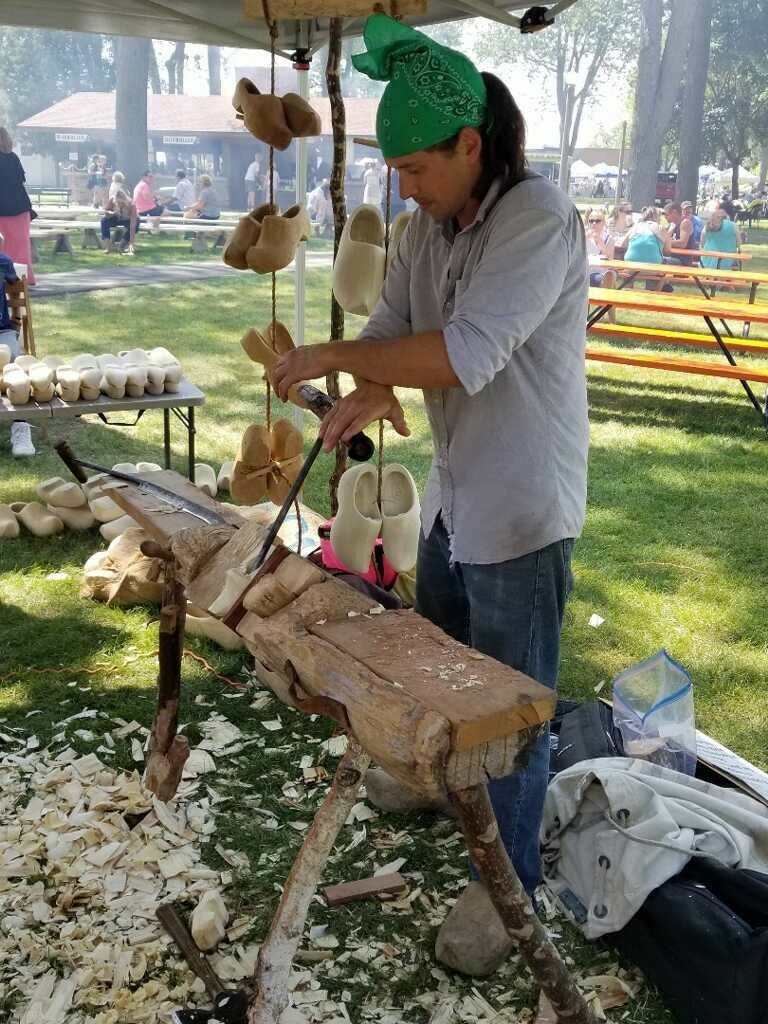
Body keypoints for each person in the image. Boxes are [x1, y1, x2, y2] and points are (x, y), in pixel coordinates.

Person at [271, 13, 588, 977]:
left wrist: (329, 354)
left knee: (513, 705)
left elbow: (461, 352)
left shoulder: (538, 219)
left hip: (525, 504)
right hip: (456, 495)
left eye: (417, 168)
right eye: (394, 172)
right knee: (435, 656)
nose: (403, 187)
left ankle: (511, 889)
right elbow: (397, 324)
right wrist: (366, 382)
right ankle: (436, 779)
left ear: (470, 144)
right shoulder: (424, 228)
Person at [0, 233, 35, 456]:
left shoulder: (3, 261)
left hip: (1, 330)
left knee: (14, 363)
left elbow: (15, 285)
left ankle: (20, 429)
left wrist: (15, 319)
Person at [0, 128, 35, 285]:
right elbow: (20, 182)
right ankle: (22, 280)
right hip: (20, 208)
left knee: (3, 246)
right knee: (21, 246)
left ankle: (4, 279)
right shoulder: (14, 158)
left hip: (2, 209)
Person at [625, 206, 672, 290]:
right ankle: (652, 293)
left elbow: (622, 244)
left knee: (628, 275)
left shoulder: (636, 226)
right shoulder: (660, 228)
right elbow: (668, 251)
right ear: (658, 216)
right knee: (663, 270)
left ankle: (627, 293)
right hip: (652, 266)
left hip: (631, 265)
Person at [585, 208, 617, 290]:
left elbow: (610, 259)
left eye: (598, 221)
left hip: (603, 271)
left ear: (603, 223)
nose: (594, 223)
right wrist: (584, 239)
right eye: (591, 221)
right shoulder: (582, 236)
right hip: (586, 271)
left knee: (609, 276)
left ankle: (603, 302)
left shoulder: (609, 238)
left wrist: (601, 243)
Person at [100, 186, 138, 254]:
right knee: (104, 220)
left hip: (128, 219)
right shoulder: (112, 200)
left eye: (122, 203)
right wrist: (112, 213)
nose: (120, 205)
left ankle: (122, 244)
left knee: (136, 224)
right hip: (116, 218)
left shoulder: (131, 205)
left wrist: (131, 243)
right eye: (118, 203)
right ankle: (108, 245)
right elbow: (106, 211)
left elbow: (133, 224)